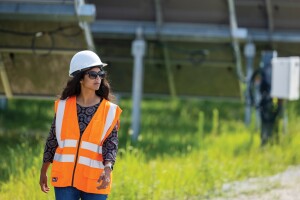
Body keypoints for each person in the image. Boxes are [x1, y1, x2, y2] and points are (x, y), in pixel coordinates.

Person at [39, 50, 122, 200]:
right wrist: (43, 170)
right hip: (65, 179)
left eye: (100, 74)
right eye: (92, 75)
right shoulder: (63, 107)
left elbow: (111, 143)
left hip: (95, 179)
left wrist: (108, 169)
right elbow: (52, 140)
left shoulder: (109, 110)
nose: (98, 79)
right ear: (80, 79)